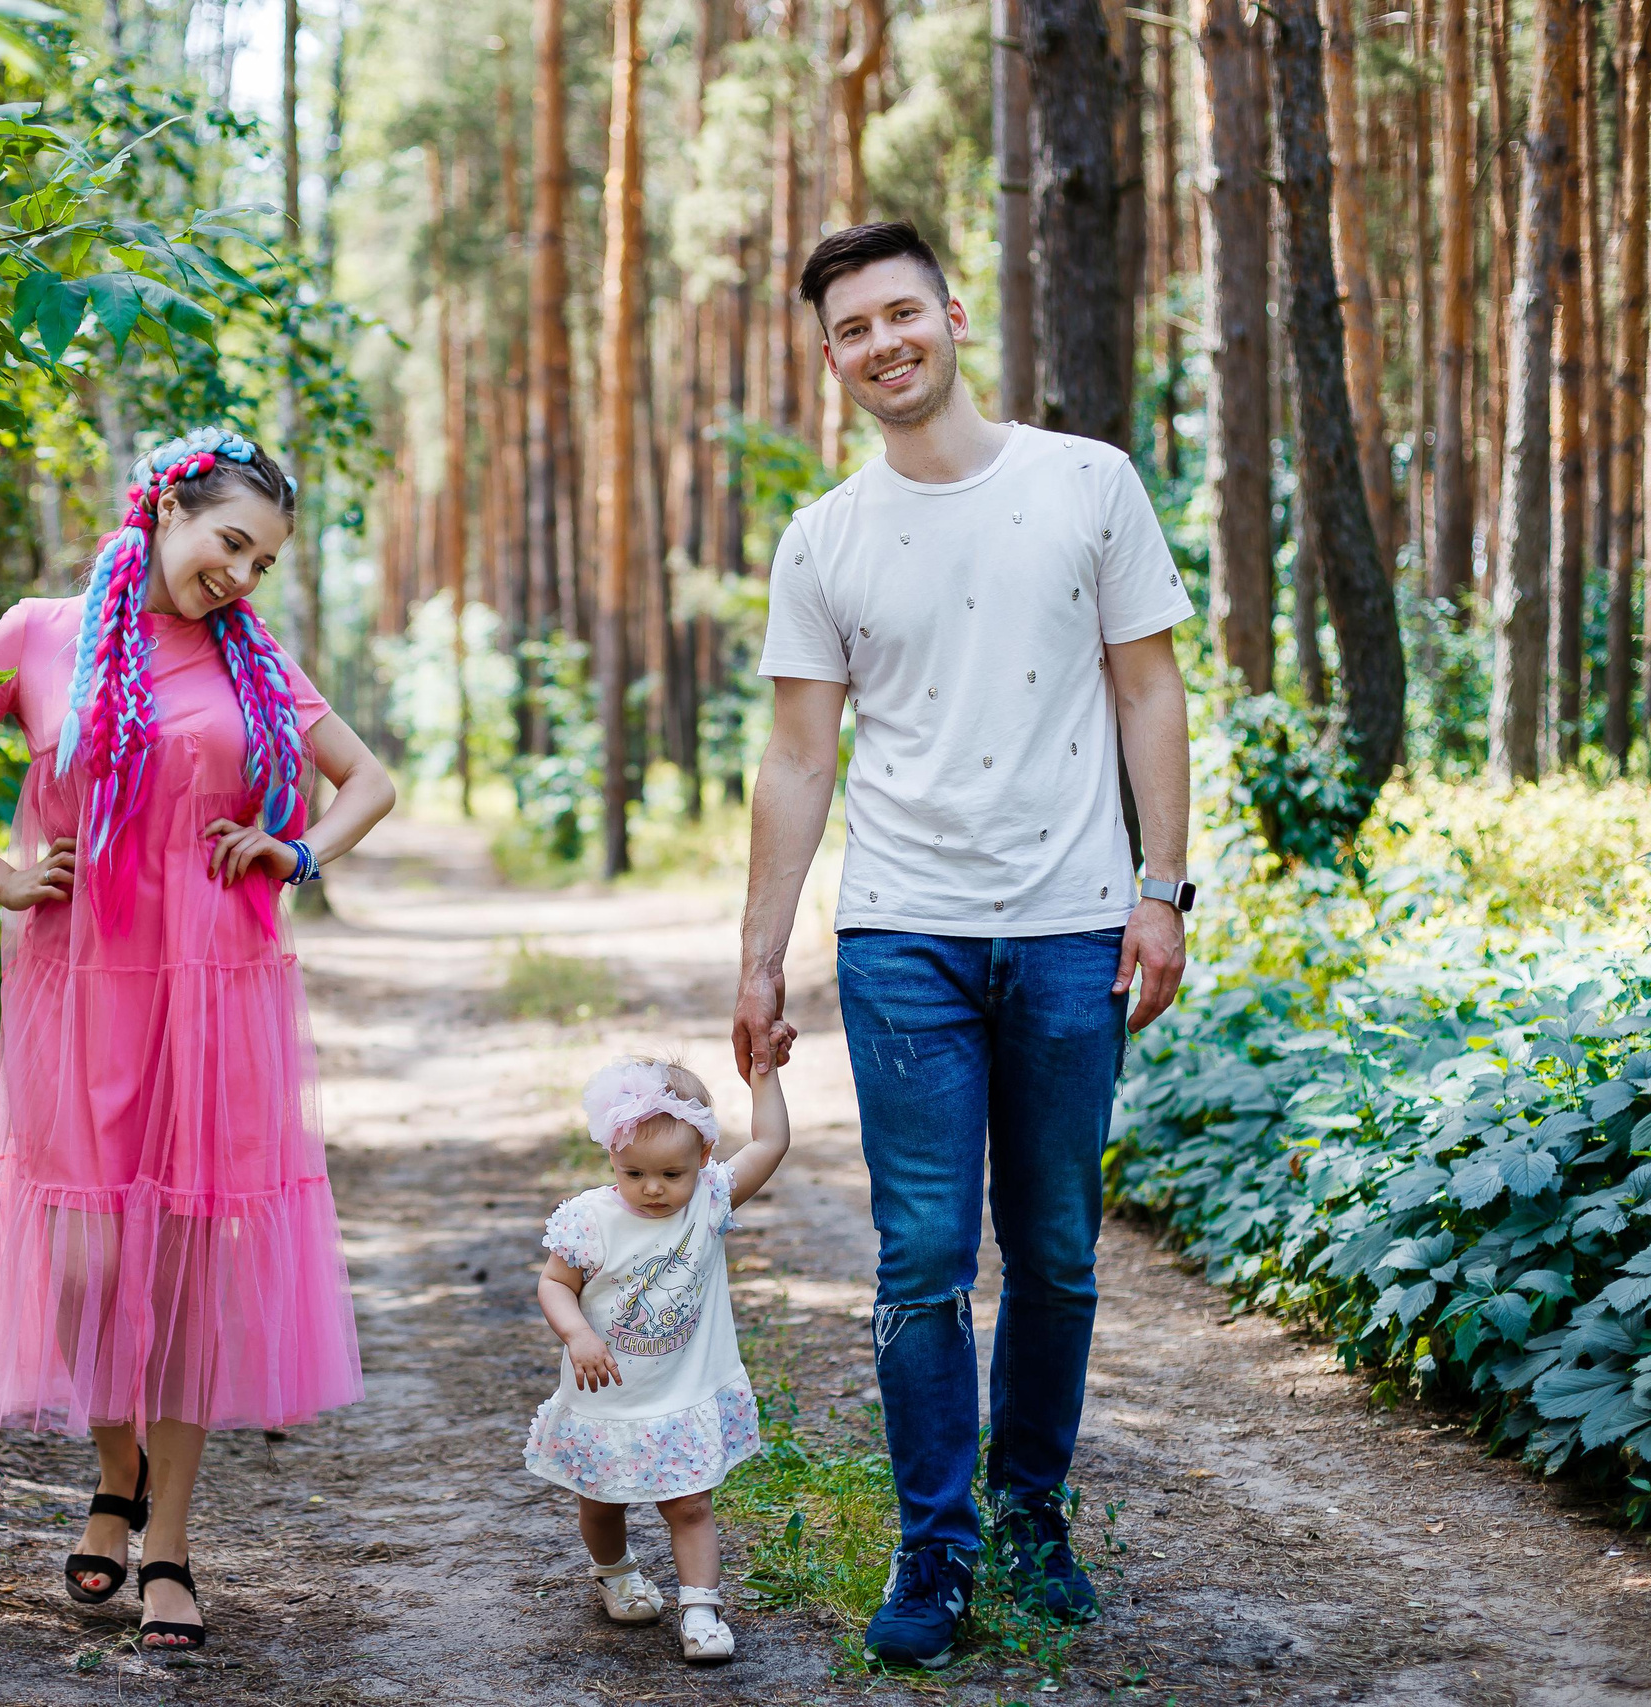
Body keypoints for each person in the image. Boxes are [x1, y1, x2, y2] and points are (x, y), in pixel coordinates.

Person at [731, 222, 1193, 1668]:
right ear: (830, 357)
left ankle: (1033, 1513)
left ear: (952, 311)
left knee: (1052, 1247)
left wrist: (1164, 886)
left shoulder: (1087, 483)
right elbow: (799, 759)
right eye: (851, 329)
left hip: (1070, 929)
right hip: (903, 937)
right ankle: (934, 1546)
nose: (882, 343)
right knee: (921, 1256)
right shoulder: (826, 538)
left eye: (899, 313)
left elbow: (1149, 692)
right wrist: (758, 953)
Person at [0, 427, 396, 1650]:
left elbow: (365, 779)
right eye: (229, 544)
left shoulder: (252, 660)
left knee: (186, 1267)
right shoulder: (38, 635)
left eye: (261, 560)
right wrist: (0, 876)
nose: (241, 577)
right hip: (78, 984)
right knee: (87, 1263)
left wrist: (297, 851)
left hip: (219, 983)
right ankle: (114, 1475)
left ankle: (166, 1540)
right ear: (164, 511)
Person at [524, 1056, 793, 1664]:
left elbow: (771, 1141)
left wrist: (763, 1073)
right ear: (611, 1159)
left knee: (690, 1503)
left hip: (682, 1392)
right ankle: (614, 1572)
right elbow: (553, 1285)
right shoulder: (590, 1219)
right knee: (602, 1501)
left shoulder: (709, 1202)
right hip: (609, 1397)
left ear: (703, 1158)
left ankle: (701, 1609)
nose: (652, 1188)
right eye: (633, 1172)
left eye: (672, 1173)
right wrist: (577, 1335)